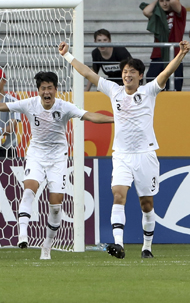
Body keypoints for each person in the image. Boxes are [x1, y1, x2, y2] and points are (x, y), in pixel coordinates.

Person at [59, 39, 190, 259]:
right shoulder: (114, 91)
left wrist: (181, 54)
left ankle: (147, 247)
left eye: (131, 72)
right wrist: (67, 55)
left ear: (140, 75)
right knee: (118, 194)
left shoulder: (149, 91)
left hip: (145, 155)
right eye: (124, 71)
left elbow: (166, 72)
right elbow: (89, 74)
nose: (127, 75)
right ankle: (119, 245)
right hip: (121, 155)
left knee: (146, 204)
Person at [0, 71, 114, 260]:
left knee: (56, 205)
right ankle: (23, 235)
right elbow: (0, 105)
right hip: (36, 154)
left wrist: (114, 118)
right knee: (28, 191)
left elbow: (90, 116)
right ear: (39, 91)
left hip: (58, 157)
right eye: (43, 88)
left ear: (56, 90)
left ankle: (47, 247)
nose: (47, 92)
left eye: (50, 88)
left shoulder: (65, 106)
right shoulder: (29, 103)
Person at [141, 0, 186, 91]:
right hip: (158, 55)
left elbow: (174, 1)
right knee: (151, 82)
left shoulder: (180, 14)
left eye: (167, 0)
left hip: (175, 55)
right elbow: (146, 11)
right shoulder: (157, 15)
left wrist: (166, 0)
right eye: (162, 1)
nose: (165, 3)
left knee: (175, 86)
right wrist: (158, 1)